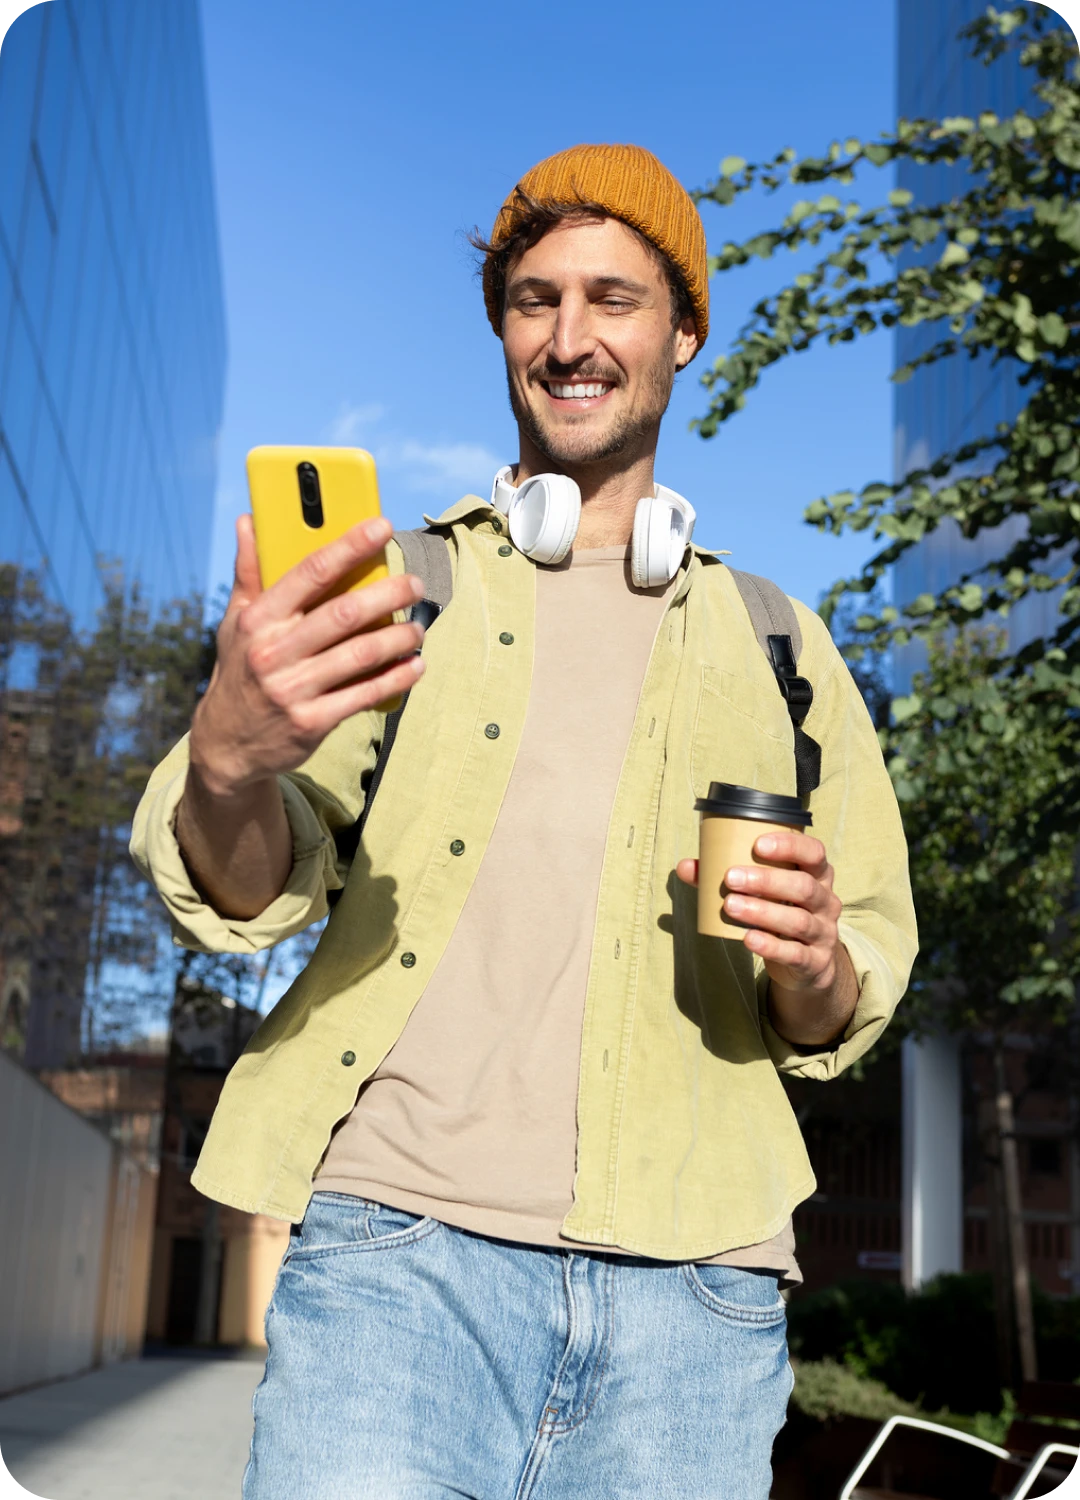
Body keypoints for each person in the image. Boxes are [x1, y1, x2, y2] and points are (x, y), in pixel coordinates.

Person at [132, 143, 917, 1499]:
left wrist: (814, 963)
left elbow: (842, 995)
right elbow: (256, 884)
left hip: (699, 1299)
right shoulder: (398, 592)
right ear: (502, 332)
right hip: (398, 1264)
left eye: (613, 299)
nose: (569, 338)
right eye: (533, 299)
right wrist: (226, 763)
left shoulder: (785, 644)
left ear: (683, 332)